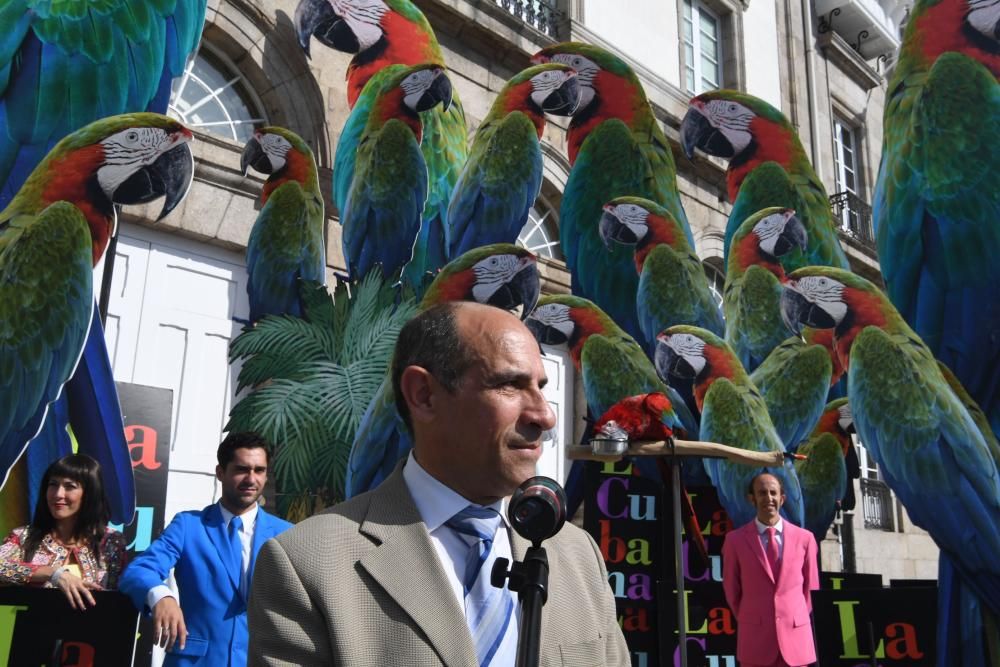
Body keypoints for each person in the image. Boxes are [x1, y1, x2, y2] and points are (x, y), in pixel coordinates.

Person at [248, 301, 630, 666]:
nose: (545, 416)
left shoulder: (578, 555)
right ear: (424, 395)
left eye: (541, 387)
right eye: (510, 385)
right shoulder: (308, 563)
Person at [119, 432, 292, 666]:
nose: (252, 479)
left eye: (259, 470)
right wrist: (162, 596)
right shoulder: (188, 526)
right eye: (242, 469)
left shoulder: (287, 534)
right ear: (220, 472)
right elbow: (138, 571)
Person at [0, 453, 127, 610]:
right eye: (53, 484)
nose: (58, 494)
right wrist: (53, 574)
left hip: (91, 631)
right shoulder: (24, 537)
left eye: (70, 487)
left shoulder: (110, 541)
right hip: (30, 631)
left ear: (90, 493)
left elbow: (119, 597)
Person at [722, 472, 819, 667]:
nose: (769, 498)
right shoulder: (735, 541)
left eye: (773, 493)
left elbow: (811, 589)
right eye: (762, 493)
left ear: (782, 499)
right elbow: (732, 591)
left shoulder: (805, 539)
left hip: (795, 644)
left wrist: (792, 617)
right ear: (752, 499)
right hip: (755, 643)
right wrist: (753, 618)